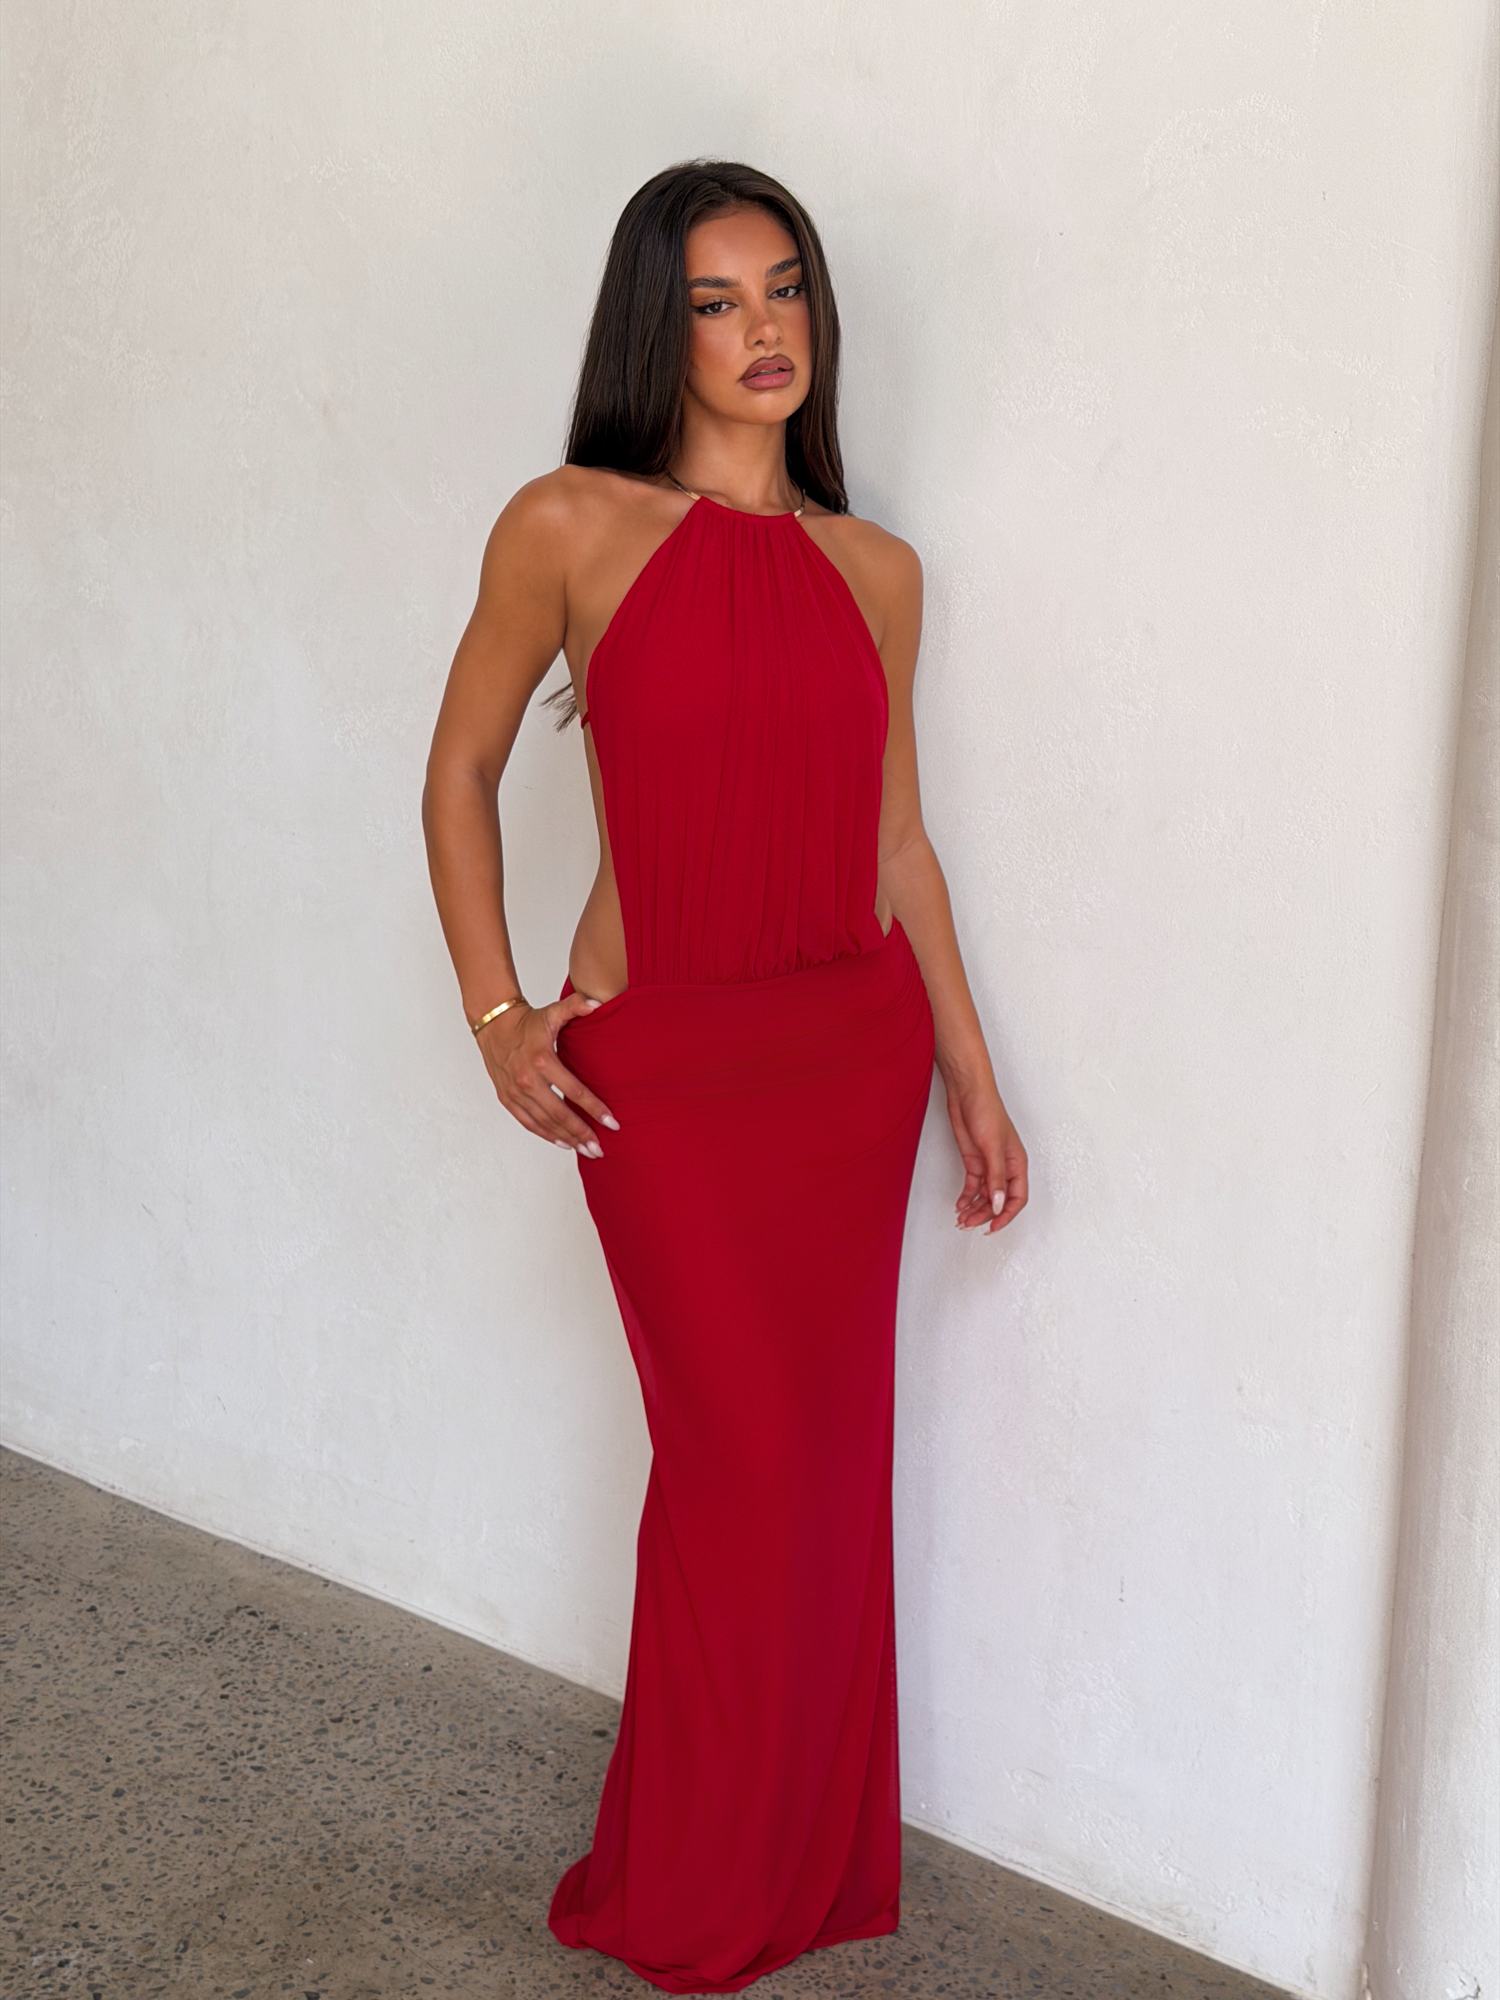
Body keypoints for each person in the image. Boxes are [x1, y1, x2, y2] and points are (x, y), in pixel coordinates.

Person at [422, 159, 1028, 1995]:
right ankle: (693, 1880)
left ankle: (803, 1866)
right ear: (655, 326)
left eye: (787, 292)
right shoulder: (568, 526)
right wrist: (500, 1013)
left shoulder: (879, 570)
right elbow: (453, 779)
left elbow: (898, 847)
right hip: (668, 1075)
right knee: (732, 1474)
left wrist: (974, 1083)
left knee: (824, 1477)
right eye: (715, 299)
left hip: (845, 1066)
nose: (764, 330)